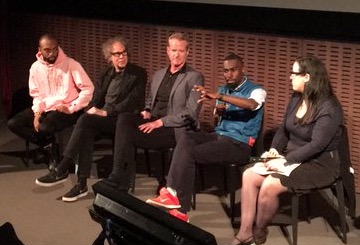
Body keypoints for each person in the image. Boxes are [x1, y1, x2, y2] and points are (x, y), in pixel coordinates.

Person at [220, 55, 344, 245]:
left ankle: (259, 233)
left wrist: (285, 160)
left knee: (270, 185)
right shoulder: (296, 97)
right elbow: (284, 130)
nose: (290, 77)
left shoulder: (329, 107)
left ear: (307, 77)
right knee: (249, 175)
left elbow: (317, 145)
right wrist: (275, 150)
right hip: (292, 157)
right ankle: (245, 233)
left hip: (318, 164)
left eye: (294, 73)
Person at [146, 53, 267, 222]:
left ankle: (180, 209)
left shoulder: (256, 90)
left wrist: (220, 97)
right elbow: (217, 121)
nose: (228, 74)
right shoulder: (224, 89)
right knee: (187, 137)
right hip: (220, 136)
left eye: (233, 70)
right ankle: (172, 192)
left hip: (240, 144)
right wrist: (218, 111)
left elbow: (252, 105)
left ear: (243, 69)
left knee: (191, 154)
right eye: (225, 71)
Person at [34, 35, 147, 202]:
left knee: (85, 122)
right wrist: (91, 109)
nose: (122, 57)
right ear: (110, 57)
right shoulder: (105, 74)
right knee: (86, 125)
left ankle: (63, 167)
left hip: (124, 119)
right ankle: (81, 183)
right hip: (104, 119)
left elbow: (132, 102)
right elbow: (96, 98)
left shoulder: (138, 73)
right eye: (117, 54)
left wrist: (106, 113)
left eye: (124, 53)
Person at [101, 32, 205, 193]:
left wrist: (160, 122)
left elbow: (190, 113)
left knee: (126, 137)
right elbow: (150, 99)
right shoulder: (159, 74)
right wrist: (147, 111)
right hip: (154, 121)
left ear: (187, 52)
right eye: (174, 50)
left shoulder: (194, 77)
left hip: (174, 128)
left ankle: (123, 181)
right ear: (168, 51)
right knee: (124, 118)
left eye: (181, 51)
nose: (177, 54)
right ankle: (117, 176)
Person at [7, 34, 94, 171]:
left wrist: (72, 107)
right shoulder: (35, 68)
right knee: (14, 123)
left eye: (55, 49)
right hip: (45, 107)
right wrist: (37, 113)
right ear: (40, 50)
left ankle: (50, 152)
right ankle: (48, 146)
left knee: (45, 127)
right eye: (47, 50)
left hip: (67, 108)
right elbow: (36, 94)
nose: (52, 53)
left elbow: (88, 88)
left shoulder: (71, 64)